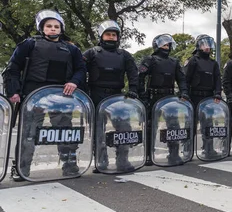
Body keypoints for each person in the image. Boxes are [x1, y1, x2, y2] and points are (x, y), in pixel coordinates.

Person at [4, 9, 86, 180]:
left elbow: (80, 70)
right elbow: (12, 69)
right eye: (49, 26)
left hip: (62, 96)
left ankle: (69, 165)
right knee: (28, 132)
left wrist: (74, 82)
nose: (53, 29)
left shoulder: (71, 49)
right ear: (42, 28)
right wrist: (14, 92)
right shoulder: (29, 44)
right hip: (33, 95)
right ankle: (21, 168)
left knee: (66, 132)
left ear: (61, 29)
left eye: (56, 26)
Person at [82, 20, 139, 172]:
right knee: (98, 131)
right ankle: (101, 162)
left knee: (124, 128)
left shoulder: (124, 54)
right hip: (96, 94)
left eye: (114, 35)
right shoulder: (92, 52)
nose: (111, 37)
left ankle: (123, 161)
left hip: (117, 97)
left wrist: (133, 88)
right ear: (101, 36)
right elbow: (79, 69)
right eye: (108, 34)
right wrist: (82, 89)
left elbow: (133, 72)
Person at [138, 34, 189, 166]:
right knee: (150, 126)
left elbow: (182, 79)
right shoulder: (150, 60)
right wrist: (142, 94)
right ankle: (149, 155)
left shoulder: (174, 62)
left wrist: (183, 92)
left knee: (174, 125)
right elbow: (140, 76)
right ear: (157, 46)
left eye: (168, 45)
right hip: (153, 96)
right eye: (163, 45)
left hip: (170, 98)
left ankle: (174, 154)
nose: (166, 47)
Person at [185, 34, 222, 157]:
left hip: (208, 98)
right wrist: (185, 93)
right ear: (199, 46)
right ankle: (187, 151)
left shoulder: (213, 63)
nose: (207, 47)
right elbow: (186, 79)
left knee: (208, 125)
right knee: (191, 124)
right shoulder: (193, 60)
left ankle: (209, 149)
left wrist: (217, 93)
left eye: (209, 45)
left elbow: (218, 80)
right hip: (194, 96)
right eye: (204, 44)